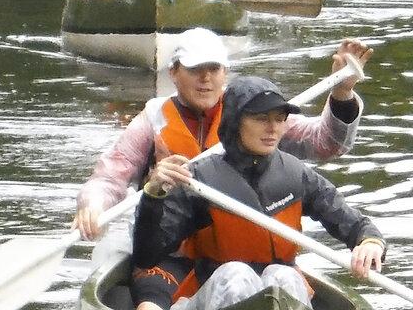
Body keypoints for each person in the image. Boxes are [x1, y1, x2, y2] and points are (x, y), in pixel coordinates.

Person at [73, 31, 371, 242]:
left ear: (225, 73)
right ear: (174, 72)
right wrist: (93, 206)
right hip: (168, 244)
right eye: (195, 69)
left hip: (236, 242)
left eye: (213, 69)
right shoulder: (153, 118)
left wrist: (342, 94)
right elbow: (110, 177)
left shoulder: (253, 112)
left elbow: (326, 143)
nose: (206, 78)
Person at [131, 75, 385, 310]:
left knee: (283, 276)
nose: (273, 129)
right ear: (235, 123)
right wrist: (153, 196)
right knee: (236, 275)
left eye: (279, 118)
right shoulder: (198, 180)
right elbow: (146, 255)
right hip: (212, 293)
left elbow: (352, 222)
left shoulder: (296, 175)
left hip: (278, 282)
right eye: (262, 119)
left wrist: (369, 240)